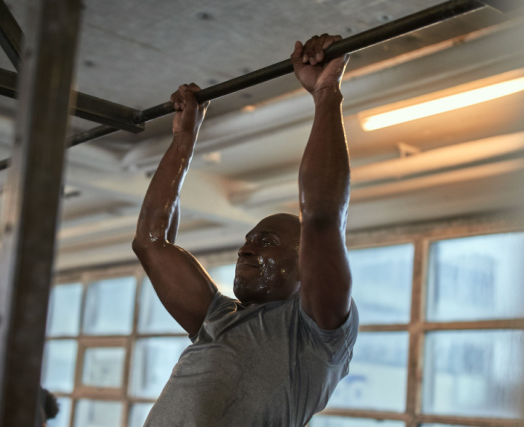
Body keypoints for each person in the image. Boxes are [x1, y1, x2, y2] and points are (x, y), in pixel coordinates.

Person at [133, 34, 358, 426]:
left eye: (266, 243)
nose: (245, 250)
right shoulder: (217, 318)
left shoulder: (319, 336)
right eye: (247, 241)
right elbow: (151, 243)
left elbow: (321, 219)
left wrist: (326, 93)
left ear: (305, 264)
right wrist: (184, 139)